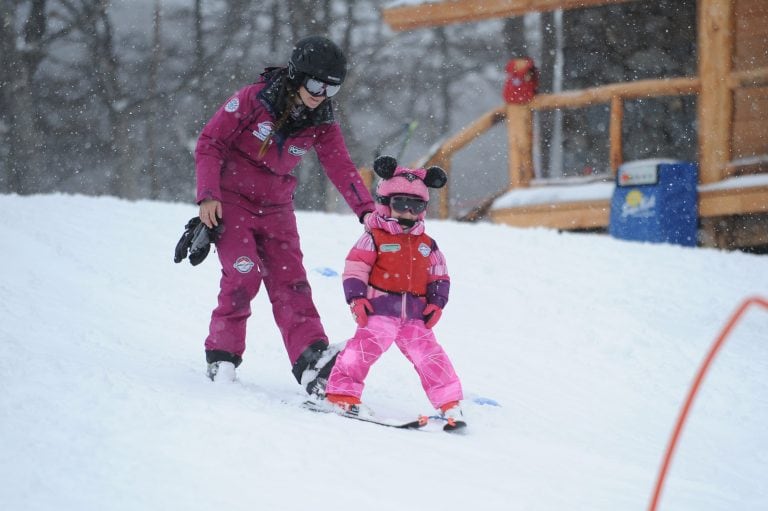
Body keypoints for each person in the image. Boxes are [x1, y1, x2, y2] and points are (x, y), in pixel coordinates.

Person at [193, 35, 375, 395]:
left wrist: (367, 212)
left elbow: (341, 167)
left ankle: (311, 360)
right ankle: (222, 356)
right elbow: (210, 143)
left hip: (276, 207)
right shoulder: (252, 100)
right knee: (243, 275)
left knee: (291, 281)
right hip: (232, 202)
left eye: (331, 88)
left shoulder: (321, 119)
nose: (320, 93)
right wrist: (207, 197)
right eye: (314, 83)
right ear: (296, 75)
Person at [325, 155, 466, 428]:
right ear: (386, 204)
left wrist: (436, 303)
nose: (408, 212)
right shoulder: (375, 236)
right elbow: (355, 268)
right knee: (361, 351)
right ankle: (341, 394)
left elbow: (440, 275)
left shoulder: (427, 244)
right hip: (379, 311)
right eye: (401, 204)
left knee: (431, 356)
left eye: (416, 206)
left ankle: (450, 403)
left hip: (415, 315)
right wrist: (356, 299)